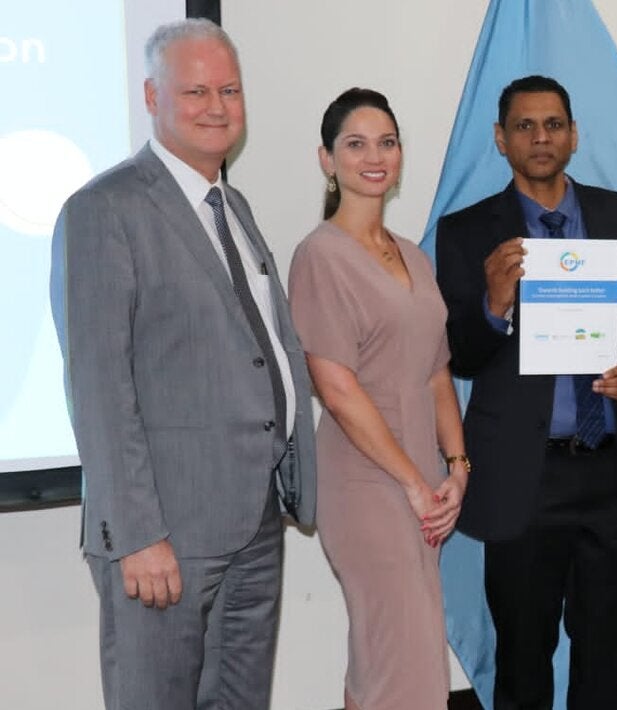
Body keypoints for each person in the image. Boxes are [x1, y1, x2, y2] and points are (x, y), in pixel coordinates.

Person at [50, 18, 316, 709]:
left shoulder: (232, 204)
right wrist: (136, 534)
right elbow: (99, 386)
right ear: (150, 95)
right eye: (195, 90)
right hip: (165, 534)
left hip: (255, 522)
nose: (218, 106)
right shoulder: (104, 209)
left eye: (229, 89)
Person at [435, 75, 617, 710]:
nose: (541, 138)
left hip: (615, 476)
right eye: (524, 126)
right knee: (522, 666)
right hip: (524, 477)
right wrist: (492, 304)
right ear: (500, 139)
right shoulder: (466, 232)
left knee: (609, 663)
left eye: (553, 125)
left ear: (574, 136)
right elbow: (457, 355)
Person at [287, 88, 465, 710]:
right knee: (402, 662)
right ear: (326, 160)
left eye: (386, 142)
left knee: (391, 658)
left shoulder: (413, 254)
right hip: (366, 485)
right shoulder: (319, 255)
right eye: (355, 144)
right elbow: (336, 389)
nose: (374, 156)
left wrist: (457, 469)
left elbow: (437, 372)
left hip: (424, 481)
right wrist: (415, 482)